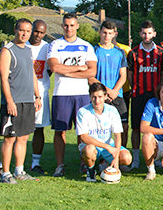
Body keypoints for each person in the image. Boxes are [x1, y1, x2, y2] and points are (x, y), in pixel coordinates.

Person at [47, 13, 97, 177]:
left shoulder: (86, 46)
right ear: (62, 26)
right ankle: (60, 166)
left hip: (82, 94)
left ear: (77, 26)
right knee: (60, 131)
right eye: (66, 25)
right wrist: (79, 69)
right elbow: (54, 68)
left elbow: (92, 71)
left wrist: (68, 71)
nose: (69, 28)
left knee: (82, 132)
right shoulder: (55, 44)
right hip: (61, 94)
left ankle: (83, 164)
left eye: (72, 25)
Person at [0, 18, 42, 183]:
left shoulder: (29, 50)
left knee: (23, 137)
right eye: (22, 30)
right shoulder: (7, 51)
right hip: (13, 102)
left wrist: (37, 96)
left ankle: (19, 171)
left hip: (28, 102)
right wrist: (9, 101)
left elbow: (33, 76)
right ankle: (6, 173)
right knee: (10, 138)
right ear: (15, 30)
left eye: (28, 31)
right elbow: (3, 79)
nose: (25, 34)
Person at [127, 20, 163, 170]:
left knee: (154, 126)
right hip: (139, 94)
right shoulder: (133, 53)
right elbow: (130, 75)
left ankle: (155, 157)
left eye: (149, 33)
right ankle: (136, 159)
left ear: (154, 34)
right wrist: (136, 87)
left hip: (155, 96)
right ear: (140, 34)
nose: (147, 36)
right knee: (137, 127)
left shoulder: (161, 53)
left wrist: (159, 91)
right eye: (144, 33)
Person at [76, 83, 133, 182]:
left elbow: (117, 135)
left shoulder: (112, 110)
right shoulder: (82, 112)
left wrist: (116, 157)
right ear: (90, 96)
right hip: (92, 145)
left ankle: (106, 165)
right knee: (89, 150)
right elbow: (84, 137)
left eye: (100, 97)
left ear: (105, 96)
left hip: (108, 145)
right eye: (94, 97)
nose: (97, 100)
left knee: (127, 158)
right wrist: (107, 147)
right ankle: (91, 171)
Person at [89, 21, 129, 160]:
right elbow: (90, 76)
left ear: (115, 34)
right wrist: (106, 92)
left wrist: (114, 91)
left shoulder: (120, 52)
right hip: (99, 97)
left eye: (110, 33)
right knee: (96, 128)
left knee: (123, 126)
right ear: (100, 32)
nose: (107, 35)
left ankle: (119, 155)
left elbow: (123, 75)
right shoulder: (93, 50)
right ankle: (95, 158)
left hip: (117, 95)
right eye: (104, 32)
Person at [28, 19, 51, 175]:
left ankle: (35, 163)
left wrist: (40, 83)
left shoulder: (47, 47)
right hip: (21, 93)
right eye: (36, 31)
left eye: (42, 32)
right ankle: (9, 163)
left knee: (39, 128)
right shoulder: (21, 45)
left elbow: (50, 69)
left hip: (41, 94)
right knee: (17, 130)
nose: (38, 35)